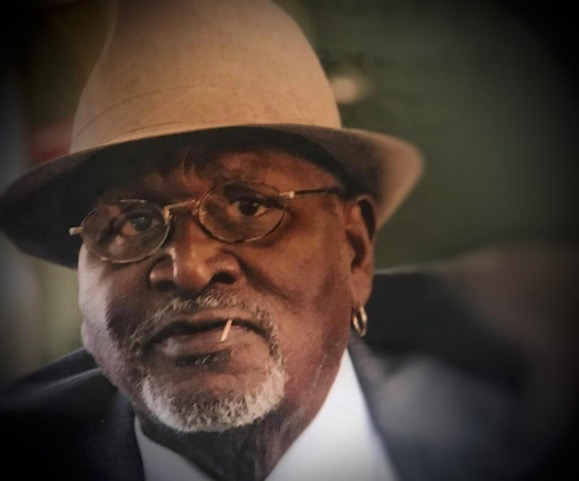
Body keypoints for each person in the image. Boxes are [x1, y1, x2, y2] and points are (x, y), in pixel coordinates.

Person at [0, 1, 576, 480]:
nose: (189, 267)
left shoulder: (506, 434)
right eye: (132, 224)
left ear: (355, 249)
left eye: (250, 207)